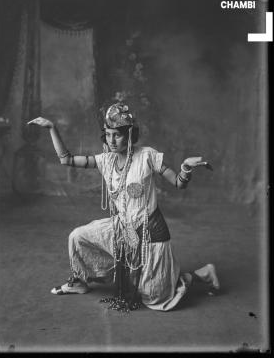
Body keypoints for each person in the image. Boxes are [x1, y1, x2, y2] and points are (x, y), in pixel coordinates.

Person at [28, 102, 220, 312]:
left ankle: (202, 274)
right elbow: (67, 160)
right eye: (108, 134)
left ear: (129, 134)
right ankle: (80, 282)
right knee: (77, 236)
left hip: (150, 234)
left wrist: (185, 168)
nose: (111, 140)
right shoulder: (105, 160)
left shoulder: (148, 156)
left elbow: (178, 183)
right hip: (123, 229)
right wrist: (52, 128)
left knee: (154, 297)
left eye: (117, 135)